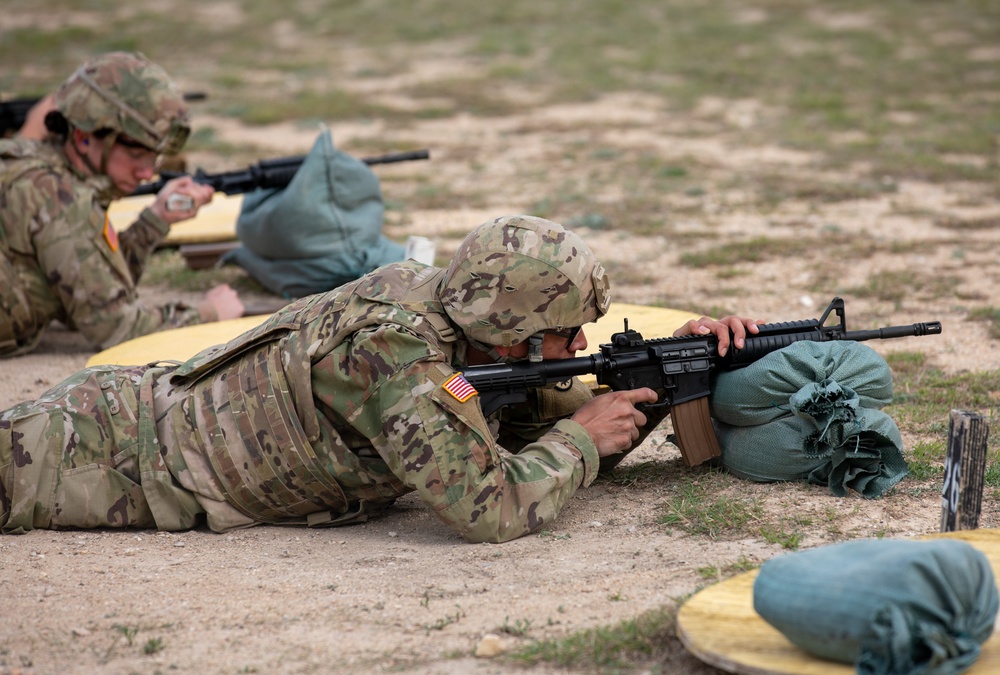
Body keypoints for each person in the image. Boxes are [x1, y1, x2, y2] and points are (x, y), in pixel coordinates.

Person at [0, 215, 759, 542]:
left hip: (136, 414)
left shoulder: (450, 302)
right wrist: (584, 441)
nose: (580, 344)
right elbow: (489, 506)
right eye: (563, 332)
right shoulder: (395, 354)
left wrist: (666, 370)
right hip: (113, 458)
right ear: (508, 327)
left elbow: (513, 423)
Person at [0, 52, 244, 358]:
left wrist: (155, 220)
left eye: (152, 158)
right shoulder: (61, 198)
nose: (147, 172)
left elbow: (89, 281)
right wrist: (208, 312)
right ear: (84, 136)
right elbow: (115, 326)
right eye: (135, 155)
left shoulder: (25, 159)